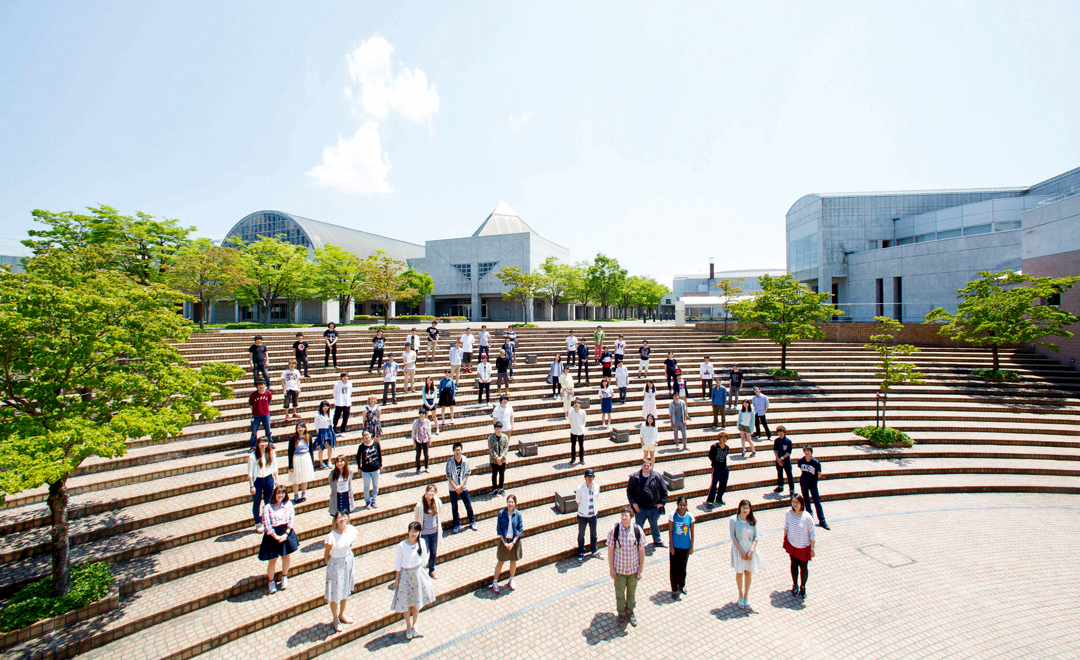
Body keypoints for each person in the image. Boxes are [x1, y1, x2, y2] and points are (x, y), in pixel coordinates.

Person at [392, 522, 436, 640]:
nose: (414, 533)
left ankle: (415, 623)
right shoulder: (401, 546)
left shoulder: (421, 542)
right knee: (406, 603)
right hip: (405, 576)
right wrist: (396, 580)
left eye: (416, 531)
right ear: (408, 531)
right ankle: (408, 625)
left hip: (417, 574)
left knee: (416, 602)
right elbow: (398, 564)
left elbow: (424, 561)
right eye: (412, 531)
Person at [607, 506, 646, 627]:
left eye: (626, 516)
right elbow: (610, 550)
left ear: (631, 517)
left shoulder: (637, 530)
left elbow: (641, 550)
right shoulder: (614, 530)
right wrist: (611, 568)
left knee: (631, 593)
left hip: (633, 569)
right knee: (619, 594)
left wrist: (640, 569)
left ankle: (630, 611)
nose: (624, 518)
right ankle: (621, 614)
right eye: (622, 515)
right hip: (619, 570)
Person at [259, 484, 299, 594]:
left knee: (286, 557)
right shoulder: (268, 507)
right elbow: (267, 525)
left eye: (283, 493)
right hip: (273, 536)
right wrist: (276, 537)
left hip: (285, 532)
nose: (280, 495)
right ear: (274, 494)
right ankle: (271, 582)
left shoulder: (288, 504)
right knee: (273, 560)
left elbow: (291, 519)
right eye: (278, 493)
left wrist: (286, 534)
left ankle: (284, 577)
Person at [323, 511, 357, 632]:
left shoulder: (351, 530)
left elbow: (350, 544)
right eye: (340, 517)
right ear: (336, 520)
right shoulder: (331, 536)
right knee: (335, 592)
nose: (343, 519)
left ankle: (342, 613)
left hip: (347, 561)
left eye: (345, 516)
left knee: (345, 588)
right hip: (335, 564)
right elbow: (327, 554)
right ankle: (335, 618)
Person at [626, 460, 668, 546]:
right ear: (641, 466)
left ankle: (658, 541)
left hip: (654, 508)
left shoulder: (657, 476)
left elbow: (664, 490)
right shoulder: (635, 477)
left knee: (654, 525)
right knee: (638, 527)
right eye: (644, 465)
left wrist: (662, 503)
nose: (646, 467)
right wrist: (633, 503)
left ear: (651, 467)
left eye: (648, 466)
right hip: (640, 508)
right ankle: (638, 542)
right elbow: (629, 491)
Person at [731, 500, 762, 609]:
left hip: (749, 551)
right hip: (739, 551)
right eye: (743, 508)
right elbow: (733, 537)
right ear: (739, 508)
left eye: (747, 508)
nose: (745, 510)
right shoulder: (734, 520)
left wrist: (751, 551)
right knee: (739, 573)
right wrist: (741, 552)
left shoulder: (752, 521)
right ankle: (740, 595)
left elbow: (756, 537)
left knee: (748, 573)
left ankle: (746, 596)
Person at [784, 494, 816, 599]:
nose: (795, 504)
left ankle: (803, 587)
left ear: (802, 503)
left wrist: (812, 549)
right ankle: (795, 584)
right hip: (792, 544)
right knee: (793, 565)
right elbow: (786, 527)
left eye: (797, 502)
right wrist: (785, 540)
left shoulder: (807, 517)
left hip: (804, 547)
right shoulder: (788, 513)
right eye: (793, 502)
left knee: (803, 567)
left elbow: (812, 534)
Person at [492, 494, 524, 593]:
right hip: (504, 541)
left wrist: (513, 543)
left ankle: (511, 579)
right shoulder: (502, 513)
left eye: (512, 502)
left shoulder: (518, 514)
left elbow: (520, 530)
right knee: (500, 561)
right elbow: (499, 530)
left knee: (513, 561)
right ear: (507, 503)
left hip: (514, 542)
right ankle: (495, 581)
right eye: (509, 502)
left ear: (515, 503)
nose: (510, 504)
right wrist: (505, 543)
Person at [668, 496, 695, 600]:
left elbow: (692, 532)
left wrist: (691, 547)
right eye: (681, 505)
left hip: (685, 546)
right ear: (677, 504)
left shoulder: (690, 516)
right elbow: (670, 531)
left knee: (683, 568)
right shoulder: (672, 515)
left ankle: (681, 585)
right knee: (674, 568)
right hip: (675, 546)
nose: (682, 507)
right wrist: (671, 546)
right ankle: (674, 589)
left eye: (684, 505)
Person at [248, 436, 276, 532]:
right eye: (262, 442)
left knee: (268, 502)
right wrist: (252, 485)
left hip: (268, 478)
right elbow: (250, 472)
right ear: (258, 443)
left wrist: (276, 479)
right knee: (257, 501)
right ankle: (258, 523)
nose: (264, 444)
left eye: (266, 442)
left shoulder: (271, 453)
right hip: (258, 481)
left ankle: (267, 520)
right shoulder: (253, 456)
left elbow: (274, 467)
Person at [446, 442, 476, 533]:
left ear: (461, 450)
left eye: (459, 450)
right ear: (453, 451)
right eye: (456, 450)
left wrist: (461, 486)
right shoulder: (450, 462)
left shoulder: (465, 460)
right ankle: (457, 524)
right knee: (454, 507)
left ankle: (472, 521)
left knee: (468, 504)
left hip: (463, 487)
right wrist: (455, 487)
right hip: (453, 488)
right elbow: (448, 475)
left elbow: (467, 473)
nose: (457, 452)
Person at [798, 446, 830, 529]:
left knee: (817, 501)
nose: (807, 452)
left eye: (808, 451)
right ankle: (809, 517)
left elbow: (819, 474)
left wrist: (813, 479)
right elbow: (801, 469)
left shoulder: (816, 463)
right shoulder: (801, 460)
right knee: (806, 500)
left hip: (812, 483)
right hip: (804, 482)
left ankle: (822, 520)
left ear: (811, 452)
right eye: (805, 451)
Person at [414, 485, 442, 578]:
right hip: (425, 533)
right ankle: (422, 571)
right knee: (423, 553)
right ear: (426, 492)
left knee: (433, 553)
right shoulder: (420, 505)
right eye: (430, 491)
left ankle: (432, 570)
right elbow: (417, 519)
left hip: (434, 532)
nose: (431, 493)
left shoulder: (436, 502)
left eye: (433, 492)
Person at [576, 468, 601, 561]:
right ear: (585, 477)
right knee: (581, 535)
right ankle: (581, 552)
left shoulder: (597, 487)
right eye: (588, 476)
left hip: (593, 515)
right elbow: (578, 501)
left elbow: (596, 498)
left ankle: (594, 550)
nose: (589, 478)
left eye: (591, 476)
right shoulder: (580, 488)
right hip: (583, 516)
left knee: (594, 534)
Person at [287, 422, 315, 503]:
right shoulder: (293, 439)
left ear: (305, 428)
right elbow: (290, 453)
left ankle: (303, 494)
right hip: (296, 458)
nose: (300, 429)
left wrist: (312, 462)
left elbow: (311, 450)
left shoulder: (308, 437)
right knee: (296, 478)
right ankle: (296, 495)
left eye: (302, 427)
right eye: (299, 427)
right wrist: (290, 465)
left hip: (306, 457)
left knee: (304, 478)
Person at [356, 432, 382, 508]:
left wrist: (381, 465)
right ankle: (367, 501)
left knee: (375, 485)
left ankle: (374, 500)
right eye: (364, 435)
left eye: (367, 435)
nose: (366, 436)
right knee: (366, 486)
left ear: (370, 435)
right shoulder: (361, 446)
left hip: (375, 468)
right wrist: (359, 467)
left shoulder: (376, 444)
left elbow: (379, 454)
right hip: (365, 470)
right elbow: (358, 457)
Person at [707, 432, 730, 507]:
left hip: (724, 469)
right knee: (713, 485)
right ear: (719, 438)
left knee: (723, 485)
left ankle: (719, 498)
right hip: (716, 469)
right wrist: (714, 464)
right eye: (723, 438)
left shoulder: (727, 447)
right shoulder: (714, 447)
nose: (724, 440)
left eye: (725, 438)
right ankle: (710, 501)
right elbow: (710, 456)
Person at [248, 381, 273, 451]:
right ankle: (253, 446)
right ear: (257, 386)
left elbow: (269, 401)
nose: (261, 386)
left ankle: (270, 443)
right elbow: (250, 404)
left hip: (266, 415)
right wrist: (254, 412)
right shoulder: (253, 394)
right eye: (259, 385)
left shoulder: (268, 393)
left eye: (263, 385)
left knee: (268, 430)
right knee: (254, 432)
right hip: (256, 415)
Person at [488, 421, 510, 495]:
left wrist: (501, 457)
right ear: (494, 429)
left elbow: (506, 448)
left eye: (499, 428)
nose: (498, 430)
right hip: (494, 460)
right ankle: (494, 489)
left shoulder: (505, 437)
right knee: (494, 474)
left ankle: (501, 488)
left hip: (502, 459)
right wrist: (497, 458)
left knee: (502, 474)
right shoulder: (491, 438)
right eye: (497, 428)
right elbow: (491, 449)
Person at [312, 400, 336, 470]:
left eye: (327, 406)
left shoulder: (330, 413)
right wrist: (319, 432)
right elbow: (316, 425)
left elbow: (332, 422)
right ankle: (321, 462)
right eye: (324, 406)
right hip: (322, 431)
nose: (326, 408)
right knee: (321, 448)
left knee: (330, 446)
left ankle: (329, 461)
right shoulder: (318, 415)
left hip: (329, 430)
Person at [773, 425, 795, 496]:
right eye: (779, 432)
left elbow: (788, 452)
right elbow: (775, 451)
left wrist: (781, 458)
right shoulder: (776, 441)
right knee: (779, 474)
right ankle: (780, 486)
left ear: (784, 432)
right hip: (779, 460)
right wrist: (778, 459)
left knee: (789, 475)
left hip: (786, 461)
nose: (780, 433)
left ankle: (791, 490)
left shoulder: (788, 441)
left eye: (781, 432)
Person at [412, 408, 433, 474]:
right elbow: (413, 431)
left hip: (425, 439)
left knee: (426, 454)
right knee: (418, 454)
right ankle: (418, 468)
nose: (422, 415)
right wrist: (413, 441)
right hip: (418, 440)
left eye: (423, 413)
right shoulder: (416, 421)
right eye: (421, 413)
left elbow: (429, 431)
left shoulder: (427, 421)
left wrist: (430, 439)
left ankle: (426, 467)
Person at [568, 398, 587, 465]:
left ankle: (581, 459)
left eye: (578, 404)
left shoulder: (583, 412)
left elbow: (584, 421)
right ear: (573, 405)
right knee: (573, 445)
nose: (577, 405)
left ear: (580, 405)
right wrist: (573, 426)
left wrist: (581, 427)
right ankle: (573, 458)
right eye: (575, 404)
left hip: (580, 431)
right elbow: (570, 420)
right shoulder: (571, 412)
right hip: (573, 431)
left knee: (581, 446)